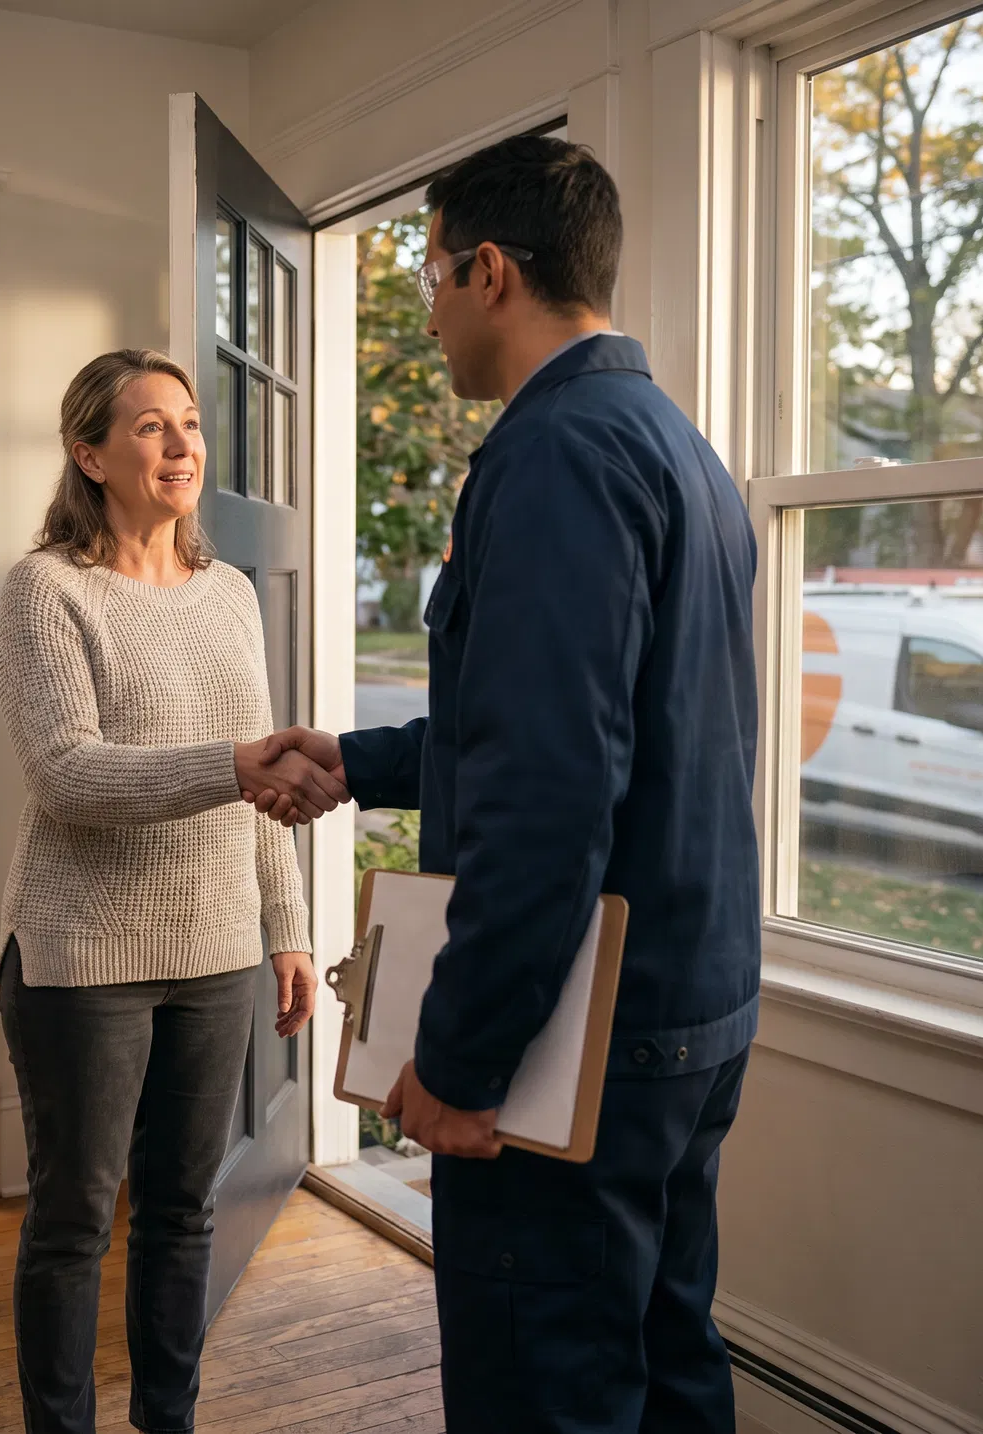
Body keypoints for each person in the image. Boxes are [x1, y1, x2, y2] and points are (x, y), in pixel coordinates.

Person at [243, 137, 760, 1432]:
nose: (425, 315)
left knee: (548, 1394)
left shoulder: (552, 458)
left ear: (489, 270)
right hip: (692, 1015)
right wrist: (355, 760)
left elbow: (551, 796)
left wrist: (457, 1061)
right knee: (666, 1365)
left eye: (429, 277)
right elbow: (581, 731)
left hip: (579, 1042)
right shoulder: (678, 449)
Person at [0, 348, 345, 1434]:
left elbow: (268, 778)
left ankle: (168, 1422)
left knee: (184, 1215)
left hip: (217, 952)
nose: (182, 444)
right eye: (149, 427)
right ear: (89, 452)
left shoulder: (232, 593)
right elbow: (68, 774)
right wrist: (230, 765)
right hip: (81, 958)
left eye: (188, 423)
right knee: (73, 1222)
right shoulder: (47, 588)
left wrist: (287, 928)